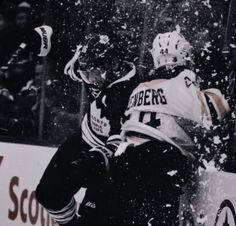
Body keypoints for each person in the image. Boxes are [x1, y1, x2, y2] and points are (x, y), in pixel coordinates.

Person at [104, 30, 231, 225]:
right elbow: (215, 113)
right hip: (162, 162)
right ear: (184, 55)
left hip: (126, 160)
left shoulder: (139, 88)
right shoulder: (184, 83)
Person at [35, 33, 139, 226]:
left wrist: (95, 159)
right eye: (86, 74)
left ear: (114, 65)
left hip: (109, 158)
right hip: (84, 138)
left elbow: (117, 140)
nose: (91, 80)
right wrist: (44, 40)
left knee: (93, 217)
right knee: (47, 194)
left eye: (95, 73)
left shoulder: (126, 92)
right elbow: (65, 57)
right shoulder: (93, 69)